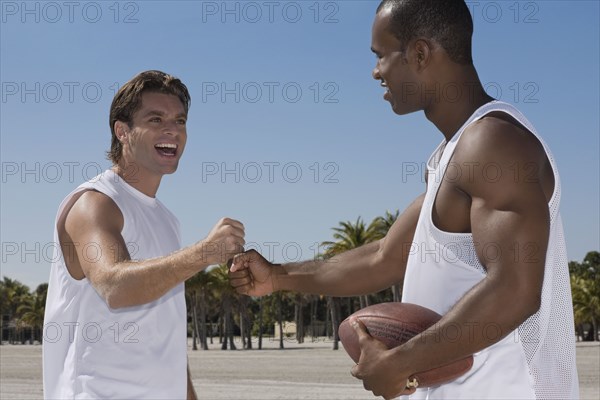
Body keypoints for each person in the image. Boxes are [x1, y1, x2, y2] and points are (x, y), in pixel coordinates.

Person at [229, 1, 579, 399]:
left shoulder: (493, 143)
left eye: (381, 56)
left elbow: (515, 290)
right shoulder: (453, 155)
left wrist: (401, 362)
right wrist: (277, 276)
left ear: (419, 53)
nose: (376, 72)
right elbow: (385, 257)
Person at [43, 70, 245, 399]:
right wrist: (204, 253)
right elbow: (114, 285)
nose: (172, 130)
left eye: (180, 121)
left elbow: (165, 334)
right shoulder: (94, 203)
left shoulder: (166, 219)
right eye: (156, 119)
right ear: (122, 131)